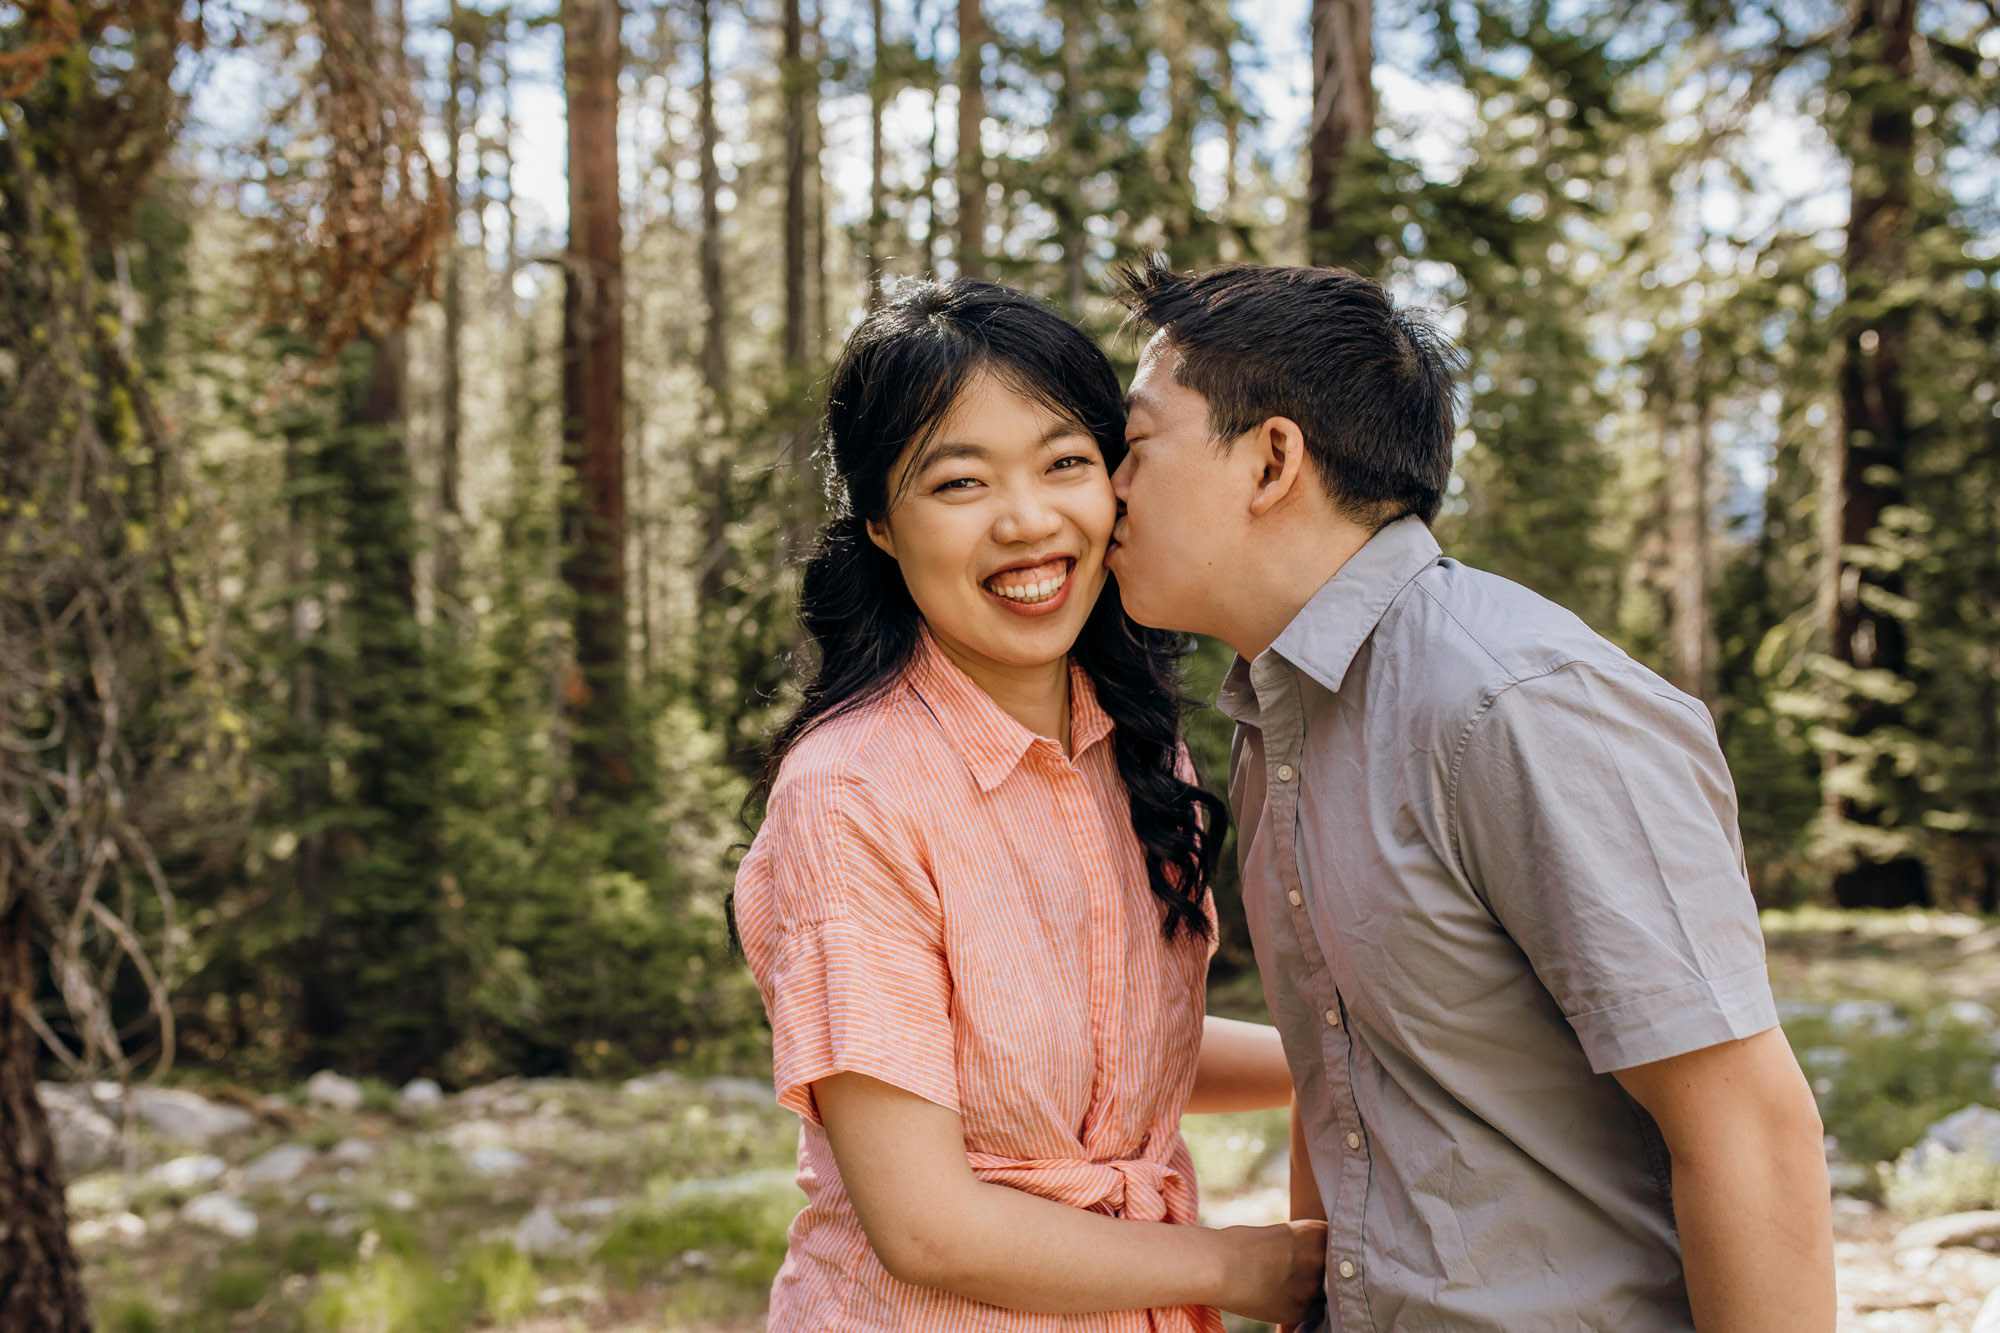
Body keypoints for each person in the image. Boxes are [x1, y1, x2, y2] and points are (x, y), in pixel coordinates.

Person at [1104, 257, 1836, 1333]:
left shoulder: (1517, 704)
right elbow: (1342, 1083)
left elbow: (1746, 1128)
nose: (1104, 488)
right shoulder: (1281, 718)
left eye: (1133, 446)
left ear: (1269, 461)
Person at [732, 277, 1327, 1333]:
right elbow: (927, 1225)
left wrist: (1344, 1057)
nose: (1026, 522)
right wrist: (1239, 1267)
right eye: (958, 483)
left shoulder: (1132, 747)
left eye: (1064, 464)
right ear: (878, 522)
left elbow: (1118, 1071)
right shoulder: (852, 792)